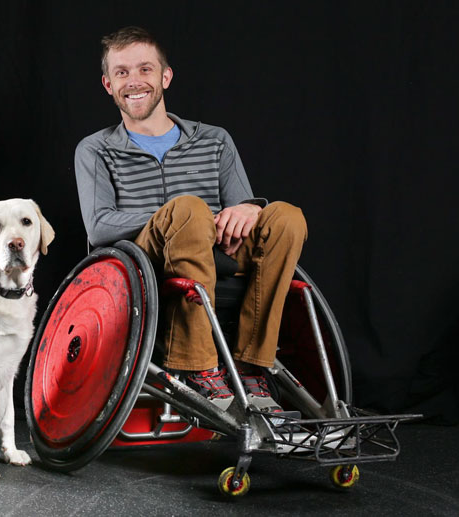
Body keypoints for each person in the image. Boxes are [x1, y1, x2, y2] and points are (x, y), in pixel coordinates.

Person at [74, 26, 307, 414]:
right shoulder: (96, 149)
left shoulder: (214, 139)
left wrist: (251, 206)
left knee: (285, 216)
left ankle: (252, 364)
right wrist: (181, 218)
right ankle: (199, 366)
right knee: (189, 209)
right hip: (146, 264)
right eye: (121, 73)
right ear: (107, 84)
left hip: (220, 253)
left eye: (145, 70)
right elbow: (99, 227)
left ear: (165, 77)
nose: (134, 81)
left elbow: (245, 211)